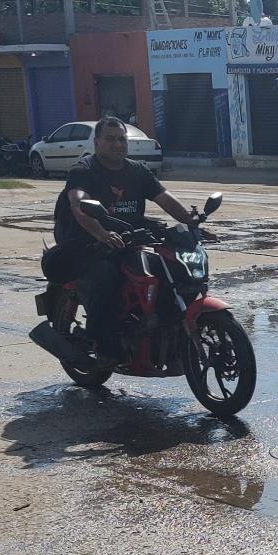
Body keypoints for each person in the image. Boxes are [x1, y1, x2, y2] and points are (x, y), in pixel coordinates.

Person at [44, 116, 205, 368]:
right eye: (109, 139)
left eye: (121, 139)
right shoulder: (84, 170)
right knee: (106, 278)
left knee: (169, 268)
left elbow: (165, 199)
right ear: (97, 142)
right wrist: (100, 233)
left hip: (126, 238)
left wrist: (192, 225)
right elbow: (79, 204)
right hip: (84, 242)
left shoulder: (137, 171)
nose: (117, 144)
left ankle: (161, 330)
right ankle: (104, 347)